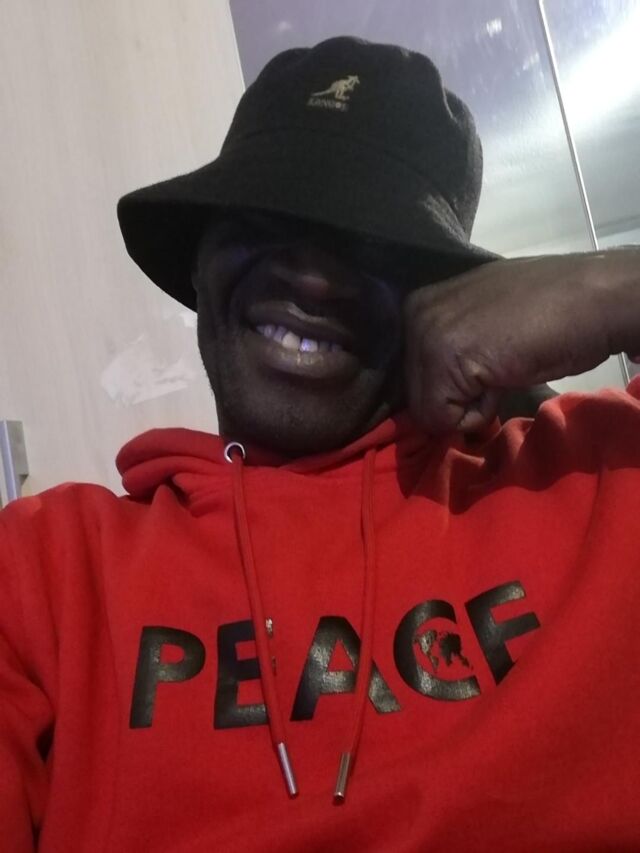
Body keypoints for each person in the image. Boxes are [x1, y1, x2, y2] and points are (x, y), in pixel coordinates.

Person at [1, 35, 639, 852]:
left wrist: (612, 284)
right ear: (200, 262)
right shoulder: (46, 573)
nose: (310, 277)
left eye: (374, 247)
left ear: (450, 301)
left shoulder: (597, 476)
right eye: (267, 219)